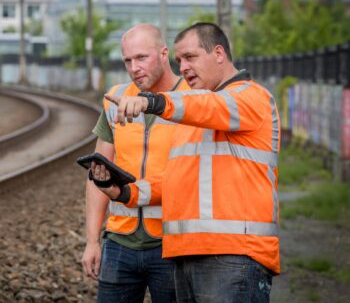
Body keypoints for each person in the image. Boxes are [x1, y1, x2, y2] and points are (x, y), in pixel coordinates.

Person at [100, 22, 281, 302]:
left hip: (234, 256)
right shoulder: (192, 123)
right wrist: (125, 192)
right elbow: (175, 181)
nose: (183, 67)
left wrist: (153, 103)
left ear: (218, 53)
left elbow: (210, 105)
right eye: (179, 60)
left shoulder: (251, 97)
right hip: (187, 255)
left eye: (191, 57)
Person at [81, 23, 188, 303]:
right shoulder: (116, 100)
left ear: (164, 54)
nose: (134, 67)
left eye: (142, 58)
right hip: (119, 243)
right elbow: (97, 175)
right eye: (128, 60)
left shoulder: (191, 100)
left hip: (173, 244)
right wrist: (92, 240)